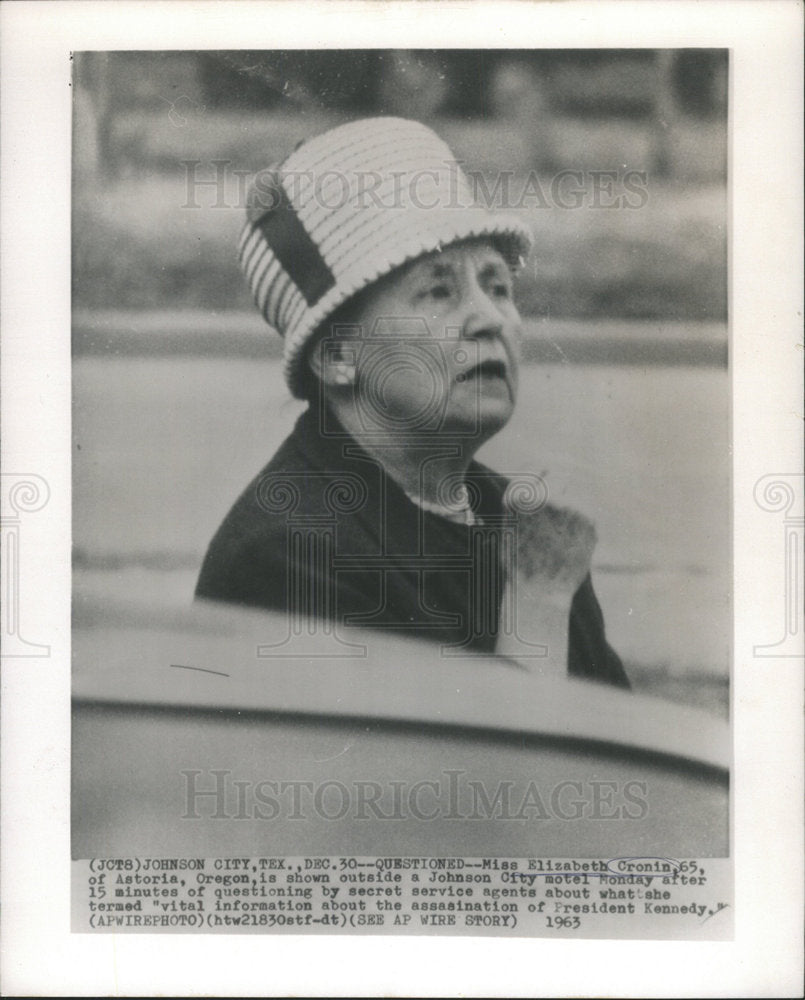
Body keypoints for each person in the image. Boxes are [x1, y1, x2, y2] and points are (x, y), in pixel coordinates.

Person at [196, 117, 629, 688]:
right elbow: (487, 751)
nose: (490, 319)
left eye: (498, 286)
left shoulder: (516, 520)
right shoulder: (286, 557)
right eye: (439, 291)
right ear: (336, 355)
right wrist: (538, 600)